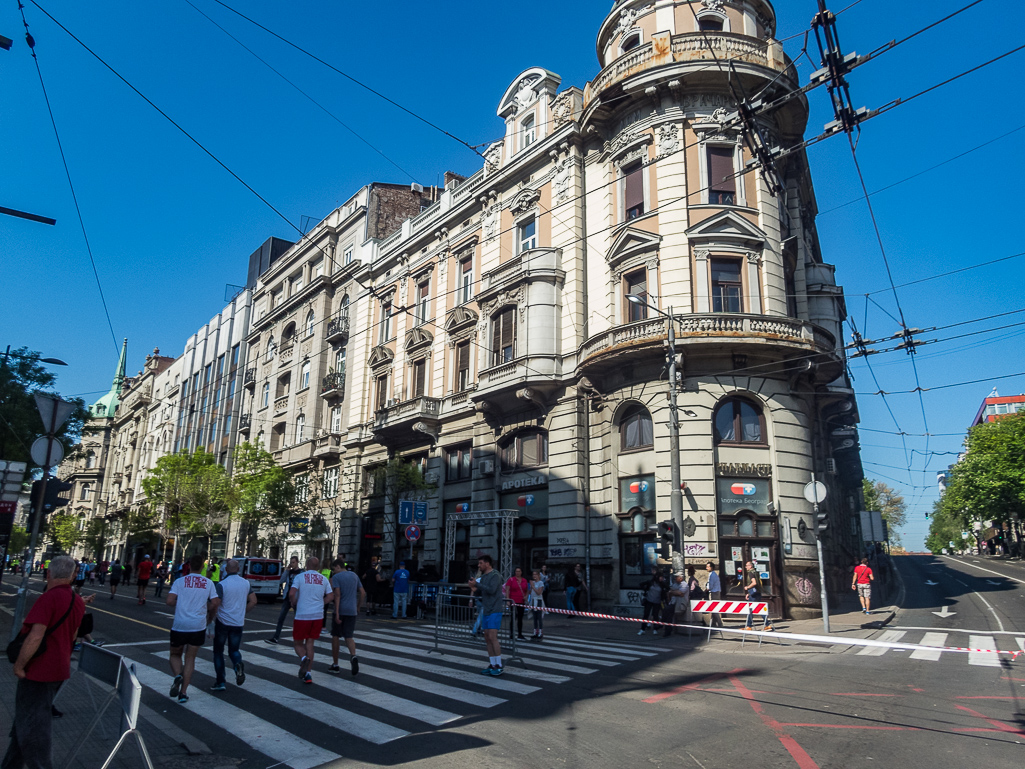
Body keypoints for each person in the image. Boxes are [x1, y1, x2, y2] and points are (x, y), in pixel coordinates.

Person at [2, 556, 91, 769]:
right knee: (24, 724)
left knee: (33, 732)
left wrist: (19, 665)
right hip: (60, 668)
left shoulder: (48, 598)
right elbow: (73, 636)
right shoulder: (77, 600)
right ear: (72, 576)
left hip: (38, 671)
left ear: (48, 574)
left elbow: (35, 636)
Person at [166, 554, 220, 704]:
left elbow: (169, 601)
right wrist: (209, 615)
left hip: (180, 624)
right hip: (197, 625)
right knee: (190, 657)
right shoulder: (208, 583)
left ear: (189, 565)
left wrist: (182, 602)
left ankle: (178, 675)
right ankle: (183, 692)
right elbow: (215, 603)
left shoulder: (179, 581)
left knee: (175, 654)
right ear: (202, 566)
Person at [211, 559, 256, 692]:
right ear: (238, 569)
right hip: (238, 622)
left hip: (223, 622)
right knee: (234, 650)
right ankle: (237, 665)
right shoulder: (246, 583)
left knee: (218, 651)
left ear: (226, 569)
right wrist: (243, 612)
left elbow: (216, 603)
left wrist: (211, 618)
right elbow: (253, 601)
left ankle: (220, 682)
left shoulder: (222, 584)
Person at [289, 557, 333, 684]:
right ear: (317, 566)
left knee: (298, 643)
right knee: (310, 644)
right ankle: (308, 674)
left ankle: (303, 659)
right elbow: (330, 596)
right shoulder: (323, 579)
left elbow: (292, 593)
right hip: (317, 615)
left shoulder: (300, 577)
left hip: (302, 615)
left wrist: (294, 602)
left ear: (307, 565)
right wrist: (321, 603)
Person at [468, 554, 505, 676]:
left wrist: (477, 585)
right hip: (486, 609)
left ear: (487, 564)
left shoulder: (495, 575)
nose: (479, 566)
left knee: (493, 636)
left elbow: (491, 590)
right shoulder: (483, 577)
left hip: (495, 609)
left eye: (481, 563)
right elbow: (482, 592)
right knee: (487, 637)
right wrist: (474, 588)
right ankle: (492, 663)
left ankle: (499, 665)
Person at [328, 557, 365, 676]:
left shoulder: (337, 577)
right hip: (352, 610)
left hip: (341, 610)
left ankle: (335, 664)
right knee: (349, 636)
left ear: (338, 567)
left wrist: (337, 613)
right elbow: (363, 593)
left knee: (335, 636)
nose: (334, 572)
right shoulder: (354, 575)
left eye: (334, 569)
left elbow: (337, 595)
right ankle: (353, 656)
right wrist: (358, 606)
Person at [266, 555, 302, 644]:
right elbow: (281, 580)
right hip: (287, 597)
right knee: (281, 618)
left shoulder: (301, 573)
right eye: (291, 562)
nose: (292, 564)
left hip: (296, 598)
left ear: (297, 562)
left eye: (293, 562)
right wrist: (287, 570)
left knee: (298, 619)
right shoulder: (289, 572)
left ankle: (299, 637)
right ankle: (276, 637)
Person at [743, 560, 774, 632]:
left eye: (746, 566)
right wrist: (749, 593)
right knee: (759, 608)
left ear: (750, 566)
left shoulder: (750, 573)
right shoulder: (756, 572)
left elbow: (754, 583)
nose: (745, 567)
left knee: (750, 609)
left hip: (754, 594)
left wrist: (747, 587)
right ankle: (768, 624)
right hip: (757, 593)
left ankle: (748, 626)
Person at [503, 567, 529, 640]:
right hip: (513, 601)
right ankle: (511, 634)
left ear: (521, 572)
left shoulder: (524, 580)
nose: (517, 573)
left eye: (519, 571)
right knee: (513, 617)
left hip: (521, 601)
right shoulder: (511, 580)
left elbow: (527, 590)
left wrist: (526, 596)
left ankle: (520, 634)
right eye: (516, 571)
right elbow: (507, 590)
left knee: (520, 618)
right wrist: (508, 600)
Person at [638, 568, 665, 635]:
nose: (662, 578)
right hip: (649, 600)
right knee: (646, 615)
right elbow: (641, 584)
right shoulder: (650, 582)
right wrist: (645, 590)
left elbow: (666, 589)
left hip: (657, 602)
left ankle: (655, 629)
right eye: (661, 577)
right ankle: (642, 629)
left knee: (655, 615)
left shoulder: (662, 585)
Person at [663, 572, 689, 637]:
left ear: (680, 578)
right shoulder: (675, 584)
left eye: (676, 577)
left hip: (680, 604)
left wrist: (672, 592)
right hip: (673, 603)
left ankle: (662, 625)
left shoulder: (684, 585)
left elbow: (680, 593)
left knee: (667, 611)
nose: (675, 578)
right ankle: (667, 630)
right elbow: (670, 591)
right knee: (668, 615)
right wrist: (673, 592)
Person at [704, 561, 724, 629]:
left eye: (708, 567)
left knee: (714, 609)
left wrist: (706, 589)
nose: (706, 568)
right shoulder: (714, 574)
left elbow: (710, 586)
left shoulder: (712, 575)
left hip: (714, 593)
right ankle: (713, 624)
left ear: (711, 567)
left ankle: (720, 623)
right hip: (716, 592)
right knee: (714, 608)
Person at [528, 569, 545, 641]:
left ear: (538, 575)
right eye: (533, 574)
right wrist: (531, 586)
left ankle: (540, 632)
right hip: (533, 600)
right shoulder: (533, 583)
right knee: (534, 617)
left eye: (535, 574)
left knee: (539, 617)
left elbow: (539, 592)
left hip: (538, 600)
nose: (534, 576)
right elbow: (530, 592)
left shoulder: (540, 583)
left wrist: (533, 586)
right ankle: (535, 632)